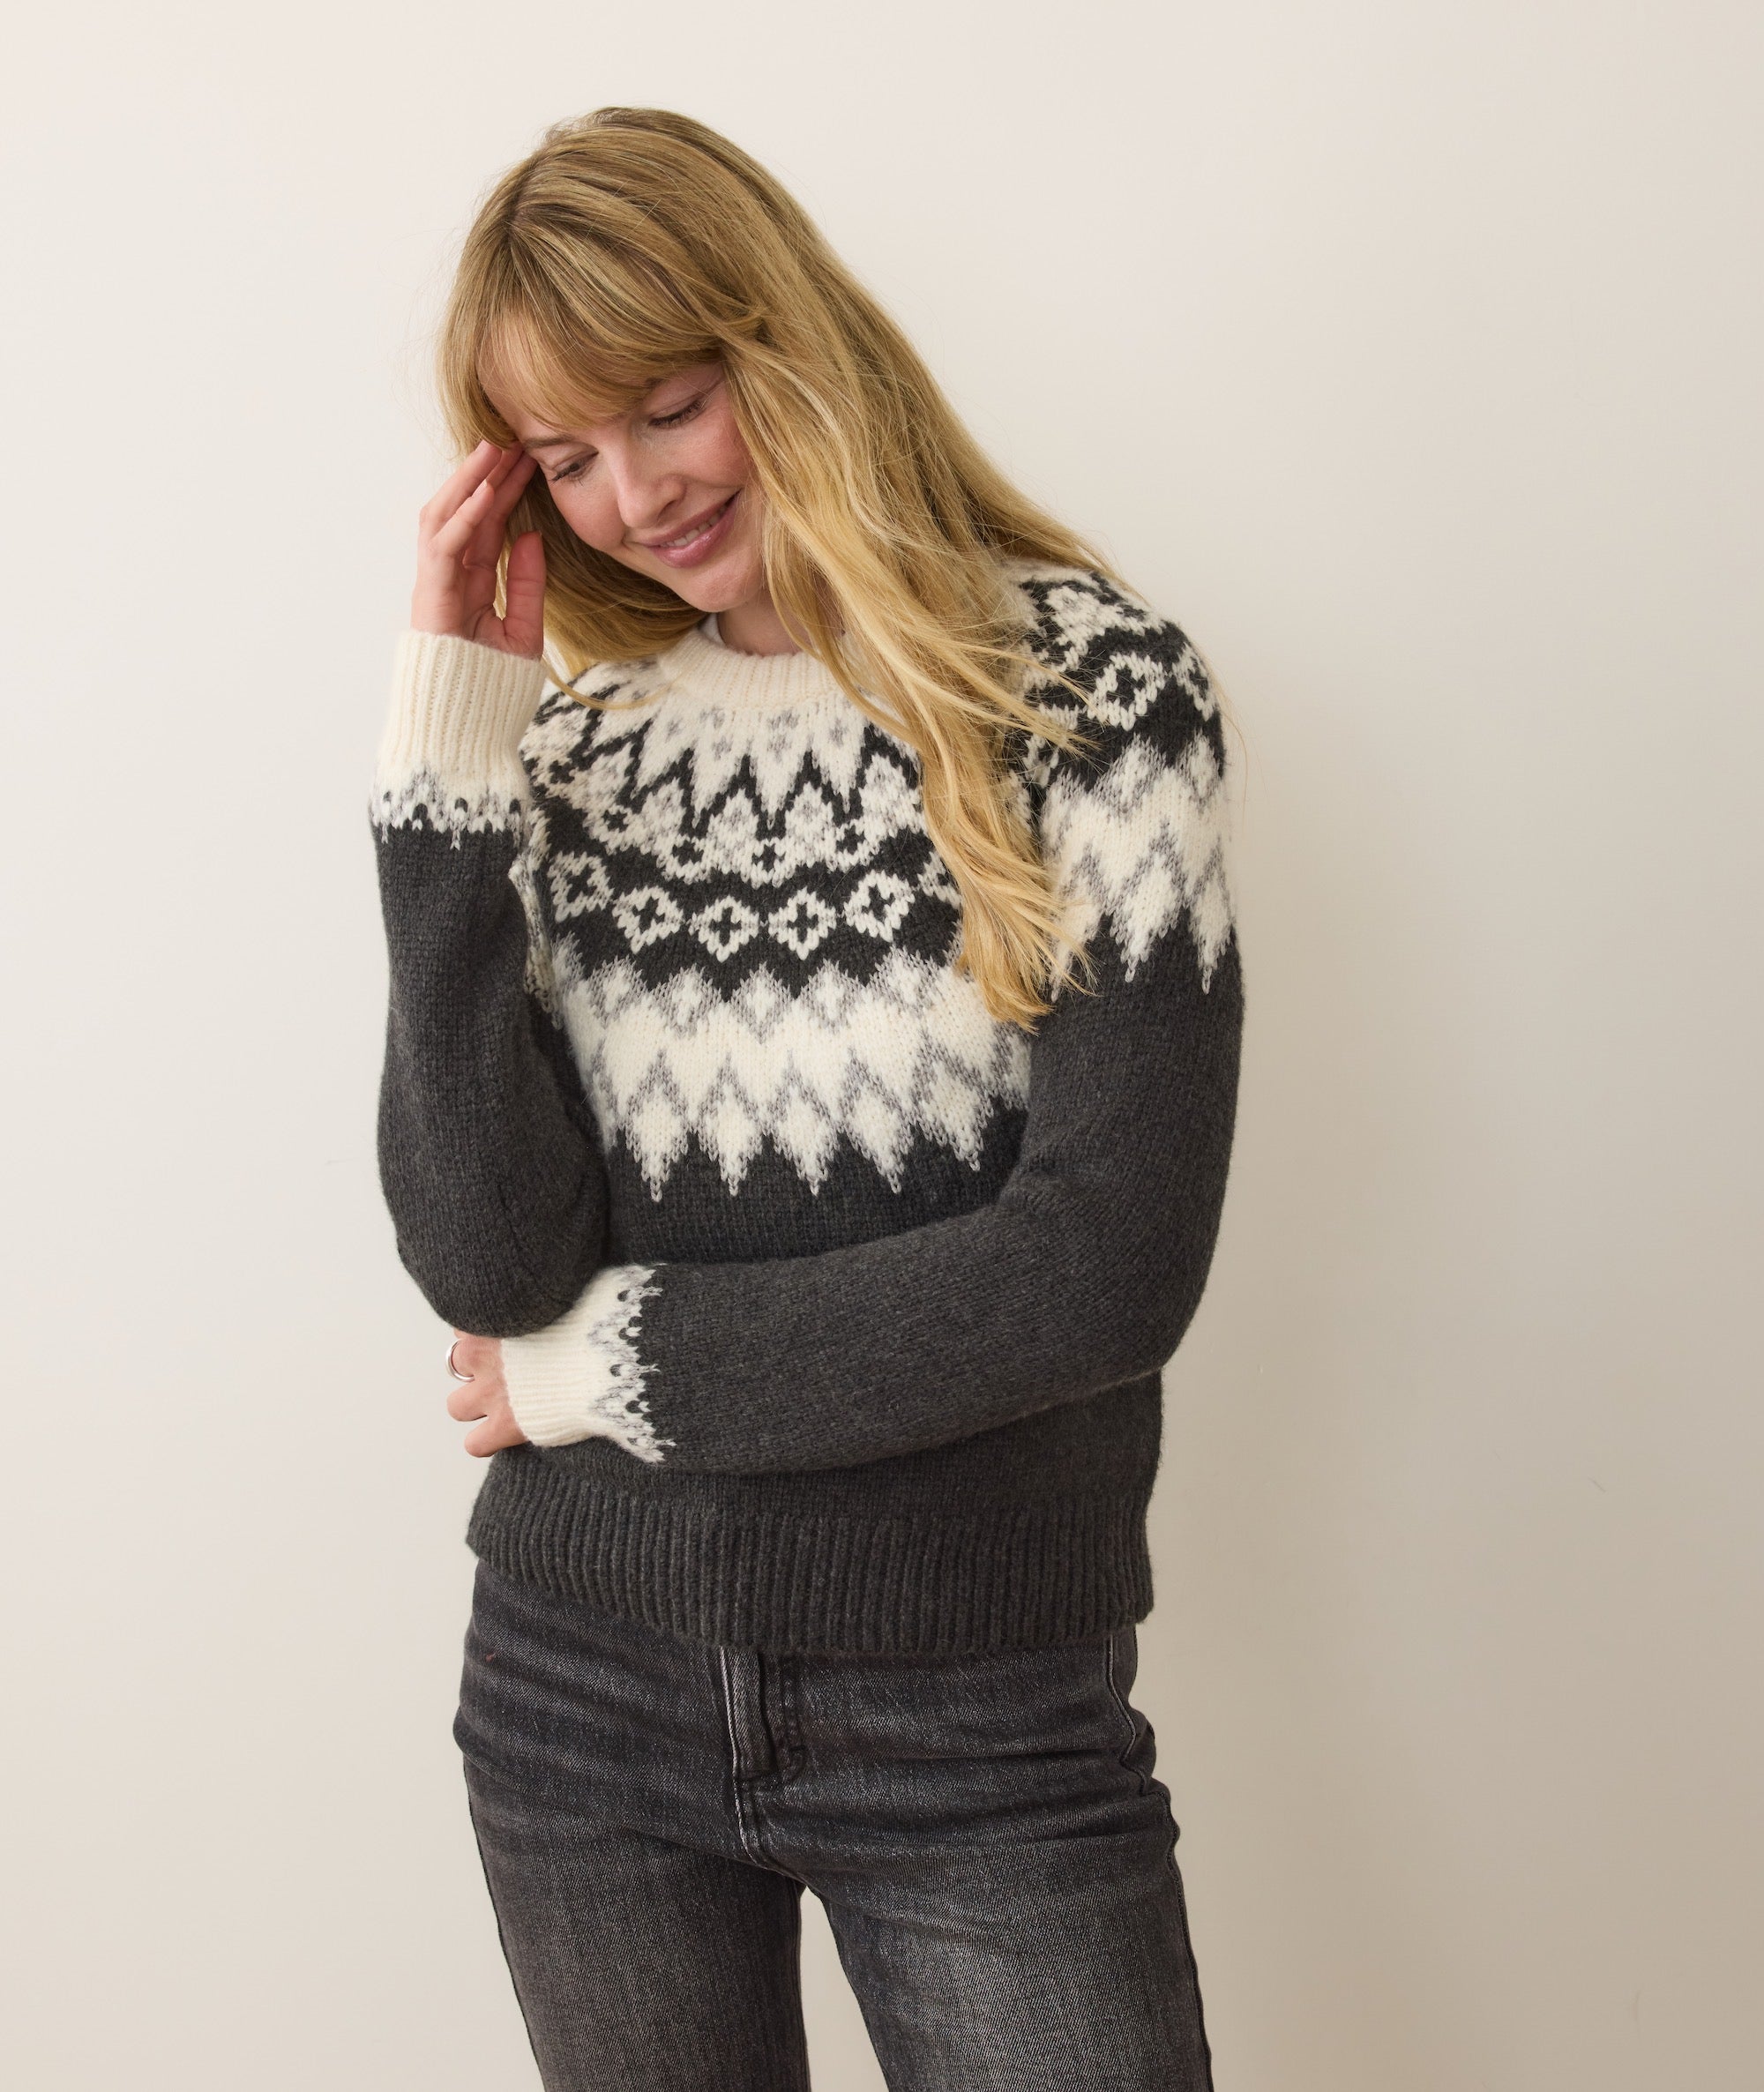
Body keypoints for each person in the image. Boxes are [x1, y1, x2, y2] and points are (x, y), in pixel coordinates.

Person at [369, 104, 1245, 2092]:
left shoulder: (1089, 700)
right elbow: (490, 1261)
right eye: (564, 459)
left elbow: (1105, 1266)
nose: (636, 494)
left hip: (977, 1714)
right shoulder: (581, 753)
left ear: (789, 341)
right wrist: (450, 767)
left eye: (669, 408)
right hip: (576, 1696)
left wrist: (607, 1371)